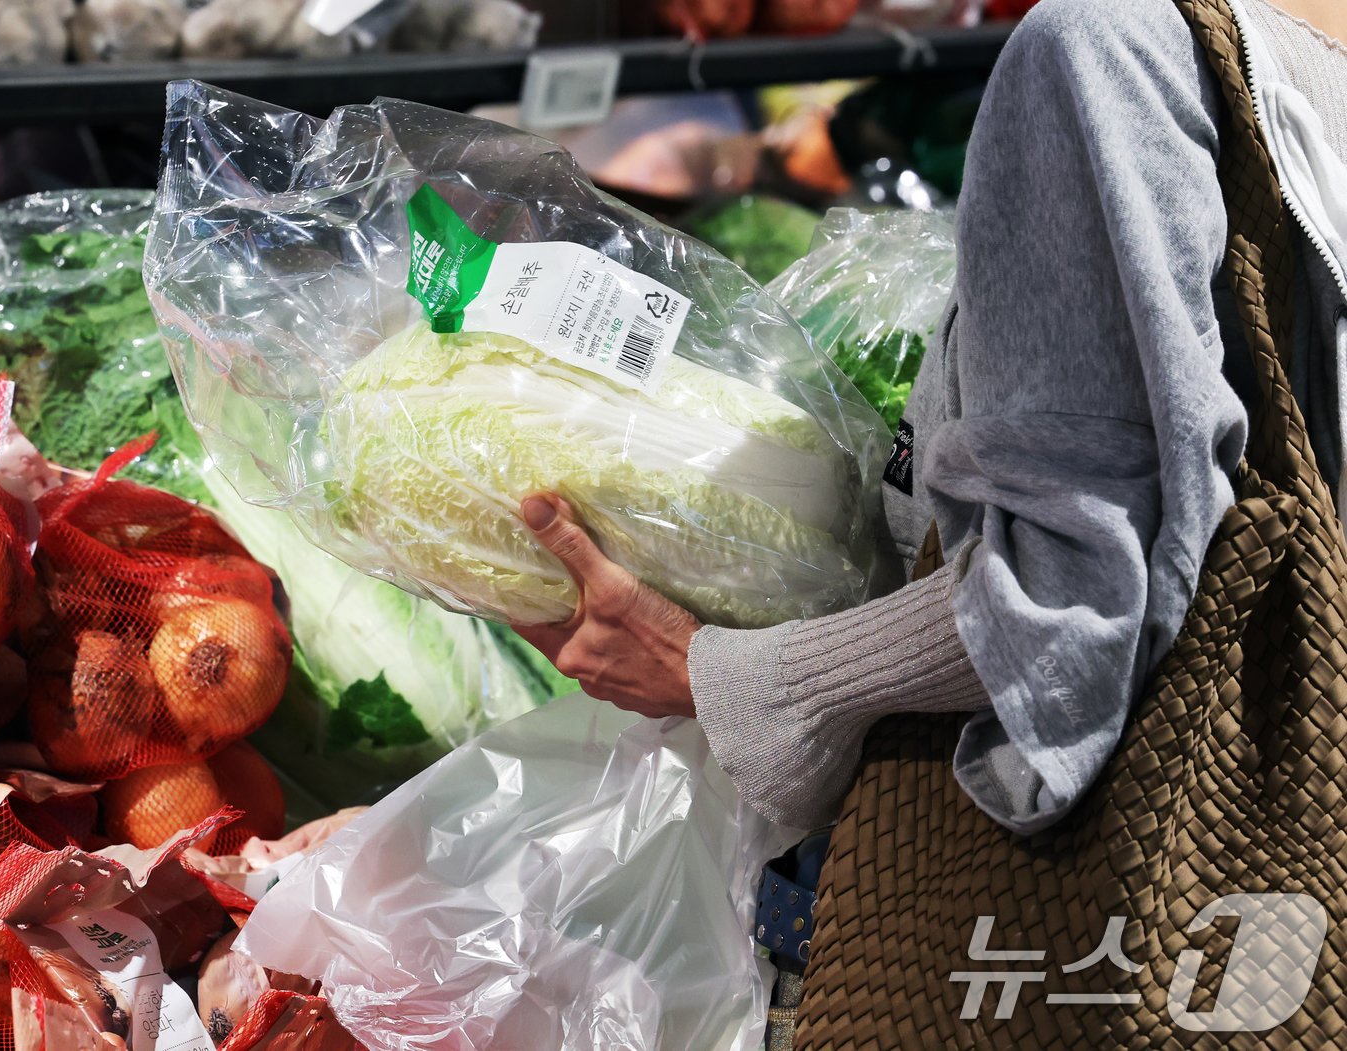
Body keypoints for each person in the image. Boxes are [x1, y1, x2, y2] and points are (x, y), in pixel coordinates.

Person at [515, 0, 1347, 835]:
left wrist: (734, 677)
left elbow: (1066, 605)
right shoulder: (1287, 63)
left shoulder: (1100, 51)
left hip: (1125, 874)